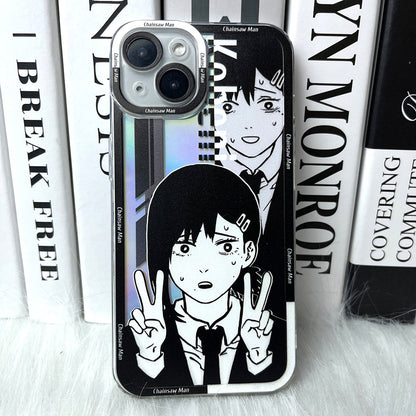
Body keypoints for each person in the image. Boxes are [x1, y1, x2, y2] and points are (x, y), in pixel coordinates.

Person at [123, 164, 274, 387]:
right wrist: (150, 356)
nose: (204, 267)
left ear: (248, 252)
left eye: (225, 247)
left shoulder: (268, 331)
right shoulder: (139, 336)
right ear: (165, 253)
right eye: (185, 248)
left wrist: (258, 356)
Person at [214, 35, 285, 232]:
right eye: (228, 107)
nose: (249, 125)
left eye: (268, 105)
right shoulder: (198, 169)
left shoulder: (289, 166)